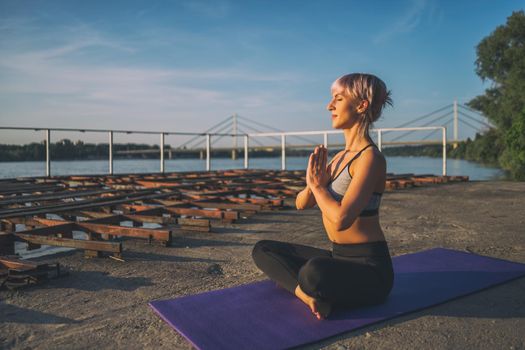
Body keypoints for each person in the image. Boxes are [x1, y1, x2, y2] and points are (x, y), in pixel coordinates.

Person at [252, 73, 394, 319]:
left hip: (370, 269)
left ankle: (312, 288)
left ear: (361, 105)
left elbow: (342, 219)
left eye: (338, 99)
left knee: (313, 272)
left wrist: (319, 188)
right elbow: (301, 203)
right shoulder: (339, 158)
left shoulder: (370, 158)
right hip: (338, 257)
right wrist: (311, 183)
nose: (330, 106)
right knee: (262, 249)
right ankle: (306, 295)